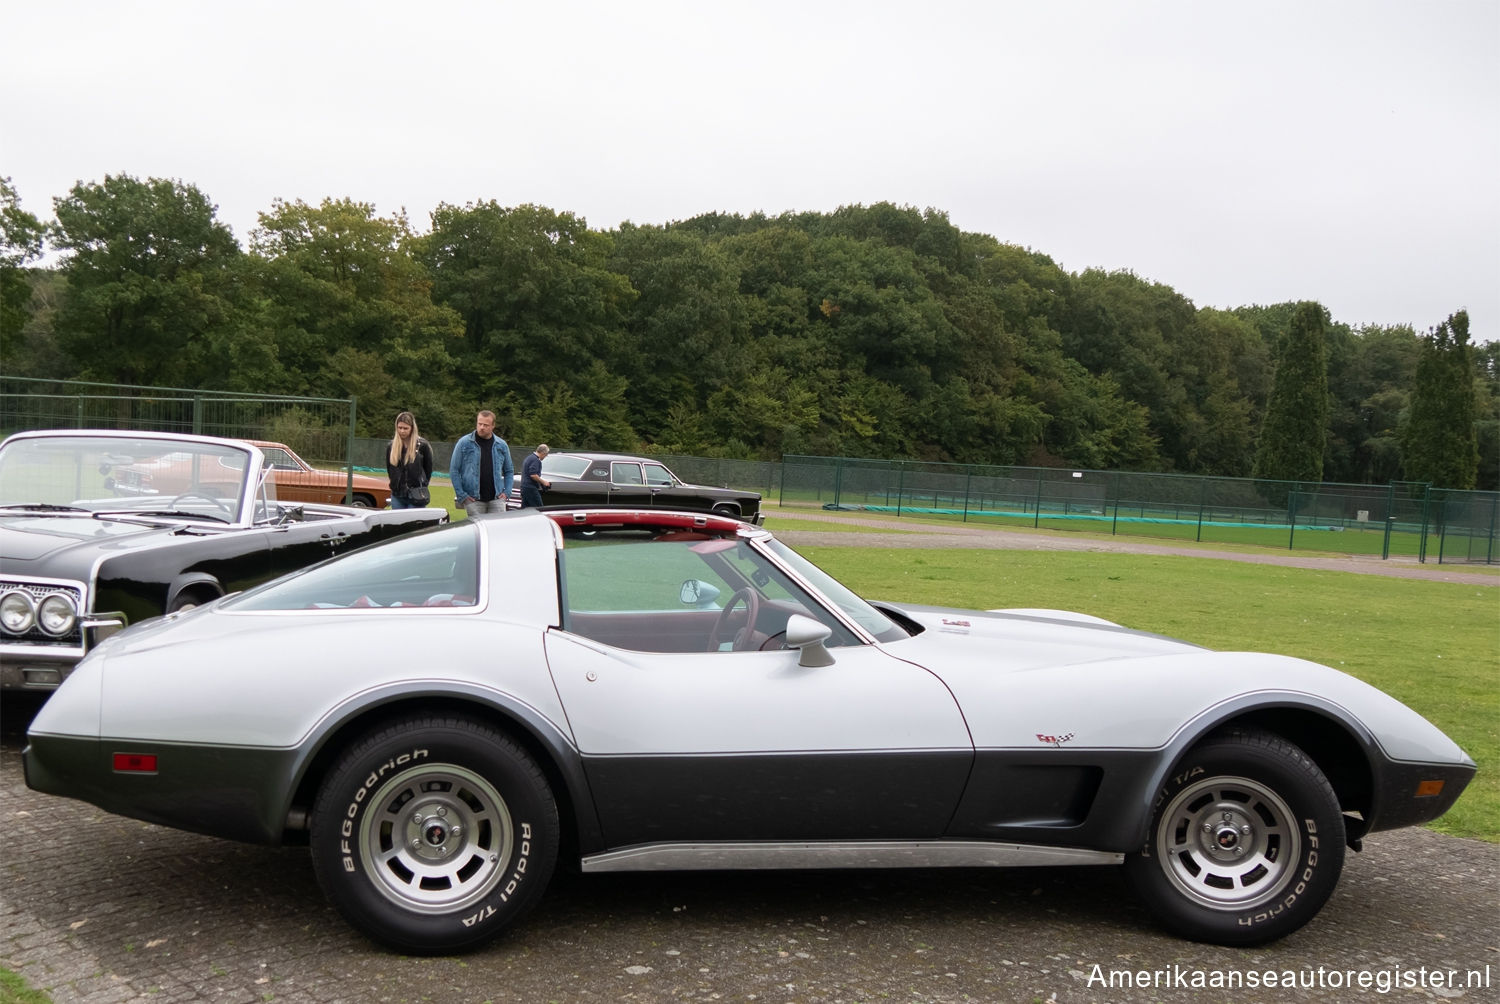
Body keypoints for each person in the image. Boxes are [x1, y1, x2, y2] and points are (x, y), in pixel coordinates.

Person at [450, 409, 514, 518]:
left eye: (486, 425)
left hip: (497, 499)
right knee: (477, 532)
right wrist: (462, 495)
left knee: (497, 532)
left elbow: (509, 471)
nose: (482, 427)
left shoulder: (501, 445)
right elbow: (454, 470)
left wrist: (506, 493)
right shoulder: (464, 443)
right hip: (473, 500)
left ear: (493, 426)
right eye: (479, 424)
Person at [386, 411, 433, 510]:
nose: (402, 431)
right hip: (397, 495)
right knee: (398, 524)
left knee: (414, 524)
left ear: (412, 428)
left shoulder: (423, 445)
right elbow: (390, 469)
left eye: (405, 428)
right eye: (400, 428)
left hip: (417, 494)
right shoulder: (391, 446)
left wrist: (422, 485)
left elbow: (428, 470)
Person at [519, 443, 551, 508]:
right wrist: (544, 482)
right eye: (546, 455)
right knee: (539, 508)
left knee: (525, 510)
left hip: (524, 487)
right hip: (531, 488)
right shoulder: (536, 460)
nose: (545, 457)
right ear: (543, 453)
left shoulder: (529, 457)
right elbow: (533, 475)